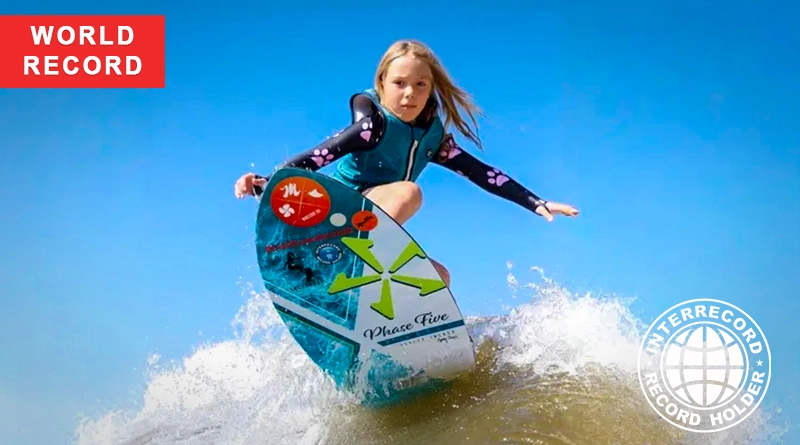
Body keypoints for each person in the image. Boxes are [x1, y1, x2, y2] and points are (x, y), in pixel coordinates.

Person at [235, 39, 579, 287]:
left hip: (368, 226)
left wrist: (536, 201)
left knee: (437, 279)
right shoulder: (372, 126)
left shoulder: (433, 138)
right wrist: (268, 182)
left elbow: (483, 174)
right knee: (408, 194)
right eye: (399, 83)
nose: (409, 93)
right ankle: (340, 261)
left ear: (431, 90)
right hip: (334, 213)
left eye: (420, 85)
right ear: (381, 84)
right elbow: (318, 156)